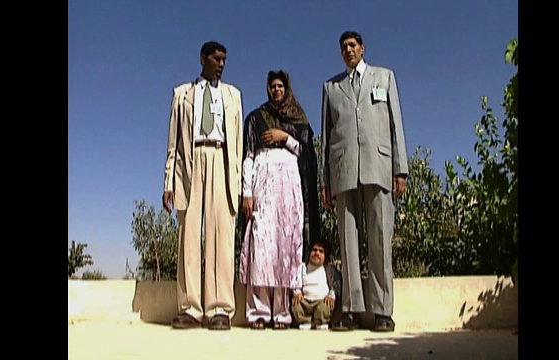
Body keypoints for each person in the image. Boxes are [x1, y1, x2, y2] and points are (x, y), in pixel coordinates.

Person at [320, 31, 409, 332]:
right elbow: (327, 136)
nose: (348, 50)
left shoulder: (384, 77)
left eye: (353, 45)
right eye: (343, 47)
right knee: (348, 244)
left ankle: (383, 311)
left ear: (362, 48)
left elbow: (396, 123)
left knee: (380, 240)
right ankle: (351, 310)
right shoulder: (331, 88)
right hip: (343, 170)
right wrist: (325, 180)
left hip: (379, 165)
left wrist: (400, 169)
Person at [162, 41, 243, 331]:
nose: (220, 64)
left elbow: (239, 144)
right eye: (216, 58)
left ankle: (220, 308)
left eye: (224, 59)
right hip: (191, 161)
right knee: (189, 236)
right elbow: (172, 143)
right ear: (202, 59)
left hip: (221, 159)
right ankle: (190, 308)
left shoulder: (233, 95)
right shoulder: (182, 94)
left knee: (222, 235)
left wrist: (239, 184)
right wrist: (168, 181)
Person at [239, 70, 320, 330]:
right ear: (267, 89)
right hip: (263, 181)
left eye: (280, 86)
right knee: (262, 245)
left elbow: (306, 152)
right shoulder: (255, 117)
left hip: (289, 184)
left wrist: (284, 137)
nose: (276, 90)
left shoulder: (298, 118)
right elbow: (248, 156)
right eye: (272, 86)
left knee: (286, 246)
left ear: (287, 89)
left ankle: (282, 314)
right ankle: (258, 313)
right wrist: (247, 192)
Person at [291, 238, 342, 330]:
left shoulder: (329, 269)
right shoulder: (302, 267)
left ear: (326, 257)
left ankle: (320, 321)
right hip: (305, 301)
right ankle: (306, 321)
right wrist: (297, 292)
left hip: (321, 301)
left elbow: (336, 284)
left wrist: (331, 295)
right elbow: (295, 281)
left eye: (321, 251)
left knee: (324, 307)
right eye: (314, 250)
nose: (317, 253)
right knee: (296, 306)